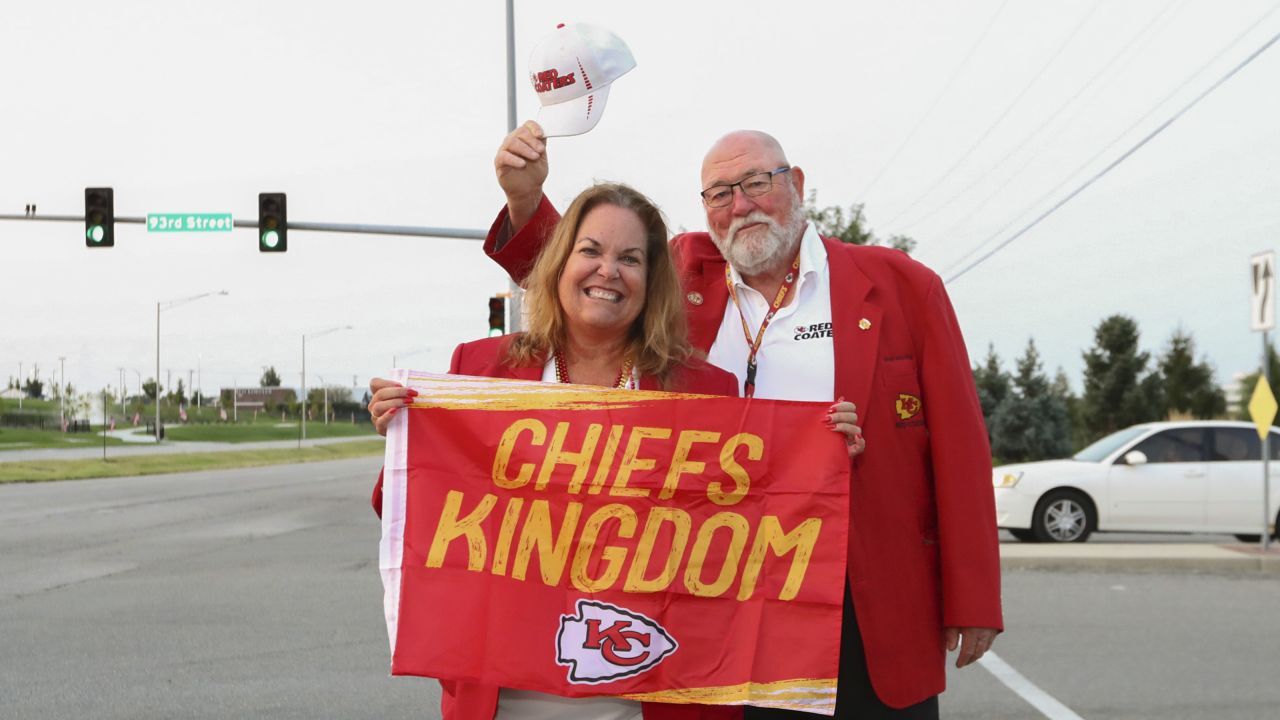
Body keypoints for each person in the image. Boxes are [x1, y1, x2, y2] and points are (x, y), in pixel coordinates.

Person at [484, 123, 1003, 719]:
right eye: (721, 194)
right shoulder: (681, 279)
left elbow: (960, 452)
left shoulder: (901, 285)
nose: (742, 205)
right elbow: (589, 276)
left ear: (797, 184)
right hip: (723, 596)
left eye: (757, 183)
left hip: (863, 598)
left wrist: (973, 596)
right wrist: (525, 200)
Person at [368, 182, 866, 720]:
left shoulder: (703, 390)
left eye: (630, 259)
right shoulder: (484, 367)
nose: (608, 271)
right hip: (503, 698)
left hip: (648, 700)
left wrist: (825, 453)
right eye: (591, 251)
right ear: (560, 262)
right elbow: (419, 517)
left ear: (651, 283)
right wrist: (403, 432)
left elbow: (752, 533)